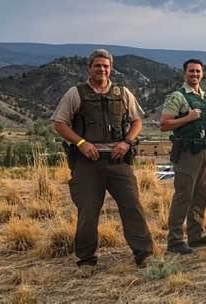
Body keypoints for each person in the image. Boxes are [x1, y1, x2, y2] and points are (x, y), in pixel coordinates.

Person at [51, 49, 154, 275]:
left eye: (106, 66)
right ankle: (86, 261)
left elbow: (137, 121)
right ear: (89, 68)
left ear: (111, 68)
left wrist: (127, 142)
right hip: (88, 162)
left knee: (132, 206)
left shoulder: (122, 93)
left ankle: (144, 254)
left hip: (119, 160)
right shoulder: (75, 93)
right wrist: (81, 143)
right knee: (88, 211)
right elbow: (59, 124)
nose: (102, 69)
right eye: (98, 65)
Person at [161, 59, 206, 254]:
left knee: (200, 195)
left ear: (202, 74)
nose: (195, 74)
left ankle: (196, 235)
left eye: (198, 71)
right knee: (184, 196)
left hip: (203, 152)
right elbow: (164, 124)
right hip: (187, 153)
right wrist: (188, 118)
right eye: (191, 71)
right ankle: (175, 241)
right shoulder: (177, 97)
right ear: (184, 74)